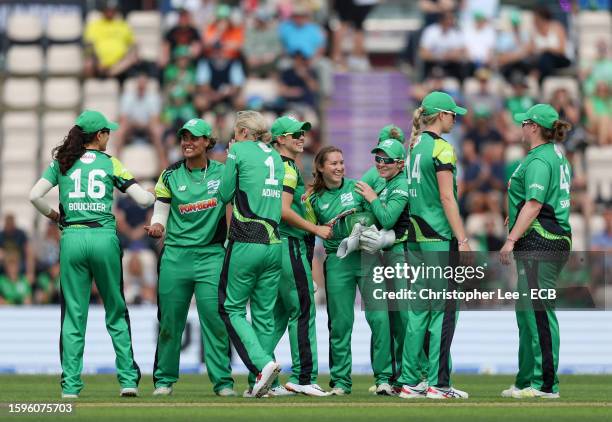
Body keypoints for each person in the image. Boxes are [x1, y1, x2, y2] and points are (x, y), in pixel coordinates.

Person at [28, 110, 155, 398]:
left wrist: (53, 216)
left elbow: (34, 195)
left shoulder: (62, 163)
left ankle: (71, 386)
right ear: (99, 136)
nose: (109, 136)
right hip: (103, 237)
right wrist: (157, 191)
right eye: (107, 132)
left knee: (74, 315)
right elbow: (144, 199)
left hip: (72, 237)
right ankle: (127, 380)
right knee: (116, 309)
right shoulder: (110, 163)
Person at [145, 118, 236, 397]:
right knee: (170, 322)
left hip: (211, 255)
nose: (188, 142)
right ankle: (164, 381)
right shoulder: (170, 175)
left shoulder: (223, 173)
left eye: (195, 138)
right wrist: (158, 225)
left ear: (208, 142)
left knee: (215, 320)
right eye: (184, 137)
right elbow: (160, 211)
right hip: (175, 256)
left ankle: (223, 383)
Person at [396, 91, 471, 399]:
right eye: (453, 114)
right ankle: (439, 385)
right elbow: (446, 197)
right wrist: (463, 239)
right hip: (438, 238)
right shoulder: (441, 148)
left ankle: (411, 381)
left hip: (415, 237)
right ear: (441, 115)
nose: (455, 118)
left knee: (417, 311)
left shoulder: (414, 147)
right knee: (441, 311)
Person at [304, 146, 393, 395]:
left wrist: (366, 230)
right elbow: (310, 232)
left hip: (368, 257)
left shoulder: (358, 188)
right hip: (337, 261)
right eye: (333, 163)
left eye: (342, 162)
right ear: (321, 167)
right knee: (341, 323)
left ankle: (384, 378)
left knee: (379, 318)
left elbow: (381, 218)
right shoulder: (312, 199)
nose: (339, 167)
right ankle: (341, 382)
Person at [500, 104, 572, 399]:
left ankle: (545, 385)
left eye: (523, 123)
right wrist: (514, 215)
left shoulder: (541, 159)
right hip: (542, 236)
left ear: (533, 127)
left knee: (539, 313)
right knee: (527, 313)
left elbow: (535, 204)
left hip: (541, 239)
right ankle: (526, 380)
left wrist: (511, 239)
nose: (520, 127)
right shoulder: (553, 155)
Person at [217, 111, 285, 398]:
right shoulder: (277, 157)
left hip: (246, 240)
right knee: (264, 315)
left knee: (230, 308)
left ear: (243, 131)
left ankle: (263, 365)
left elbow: (224, 193)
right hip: (274, 244)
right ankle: (265, 383)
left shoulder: (238, 151)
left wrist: (232, 155)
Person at [265, 116, 332, 397]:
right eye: (294, 134)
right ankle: (304, 377)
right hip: (290, 245)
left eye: (302, 133)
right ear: (279, 139)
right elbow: (283, 210)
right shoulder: (288, 167)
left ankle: (261, 377)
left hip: (274, 246)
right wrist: (315, 227)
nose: (301, 138)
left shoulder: (271, 165)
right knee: (303, 310)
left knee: (280, 315)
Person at [355, 139, 414, 393]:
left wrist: (371, 197)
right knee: (393, 317)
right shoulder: (391, 183)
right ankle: (396, 376)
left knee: (404, 317)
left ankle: (415, 374)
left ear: (400, 164)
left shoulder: (401, 184)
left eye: (386, 159)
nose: (380, 164)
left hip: (401, 255)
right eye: (377, 159)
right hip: (390, 255)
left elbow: (389, 218)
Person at [83, 0, 138, 82]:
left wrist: (129, 55)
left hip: (120, 65)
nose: (110, 12)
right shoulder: (94, 25)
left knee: (132, 57)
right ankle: (106, 75)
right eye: (107, 9)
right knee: (88, 62)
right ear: (103, 10)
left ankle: (109, 74)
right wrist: (97, 61)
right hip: (99, 64)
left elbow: (133, 44)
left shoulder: (123, 25)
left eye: (112, 10)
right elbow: (89, 45)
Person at [529, 6, 571, 84]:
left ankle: (542, 81)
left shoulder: (557, 27)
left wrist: (546, 49)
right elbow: (531, 51)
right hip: (541, 62)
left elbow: (562, 50)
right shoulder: (534, 32)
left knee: (546, 57)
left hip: (559, 59)